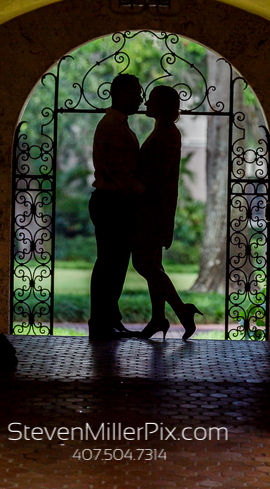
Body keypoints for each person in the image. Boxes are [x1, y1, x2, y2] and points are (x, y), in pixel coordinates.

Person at [132, 85, 202, 341]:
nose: (146, 103)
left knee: (142, 263)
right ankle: (159, 319)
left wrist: (133, 181)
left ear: (161, 105)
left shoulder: (167, 133)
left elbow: (156, 175)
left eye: (150, 100)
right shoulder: (162, 131)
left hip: (153, 209)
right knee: (154, 264)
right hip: (155, 208)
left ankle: (183, 311)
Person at [88, 73, 145, 340]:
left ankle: (108, 320)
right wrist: (141, 190)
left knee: (113, 264)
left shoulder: (116, 124)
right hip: (113, 202)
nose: (141, 98)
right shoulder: (112, 126)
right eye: (137, 92)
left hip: (113, 201)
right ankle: (102, 322)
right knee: (110, 264)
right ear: (120, 94)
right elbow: (116, 170)